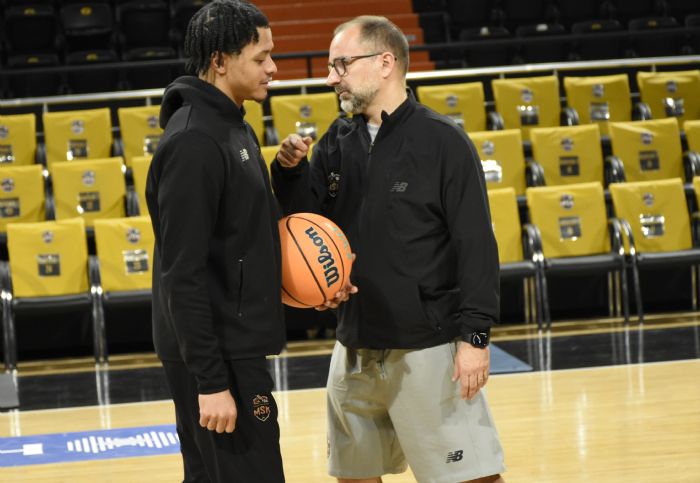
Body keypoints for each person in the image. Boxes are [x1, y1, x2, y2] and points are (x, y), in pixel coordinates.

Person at [271, 15, 506, 483]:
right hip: (354, 342)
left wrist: (475, 338)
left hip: (427, 345)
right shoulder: (335, 142)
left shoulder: (443, 141)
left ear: (385, 63)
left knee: (471, 478)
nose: (330, 77)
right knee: (353, 476)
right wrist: (290, 173)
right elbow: (309, 228)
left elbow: (476, 243)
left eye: (341, 64)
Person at [145, 1, 285, 481]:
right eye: (260, 57)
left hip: (231, 344)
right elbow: (182, 274)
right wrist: (211, 380)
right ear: (220, 61)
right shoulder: (194, 142)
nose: (273, 67)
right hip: (218, 356)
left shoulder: (232, 125)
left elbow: (247, 232)